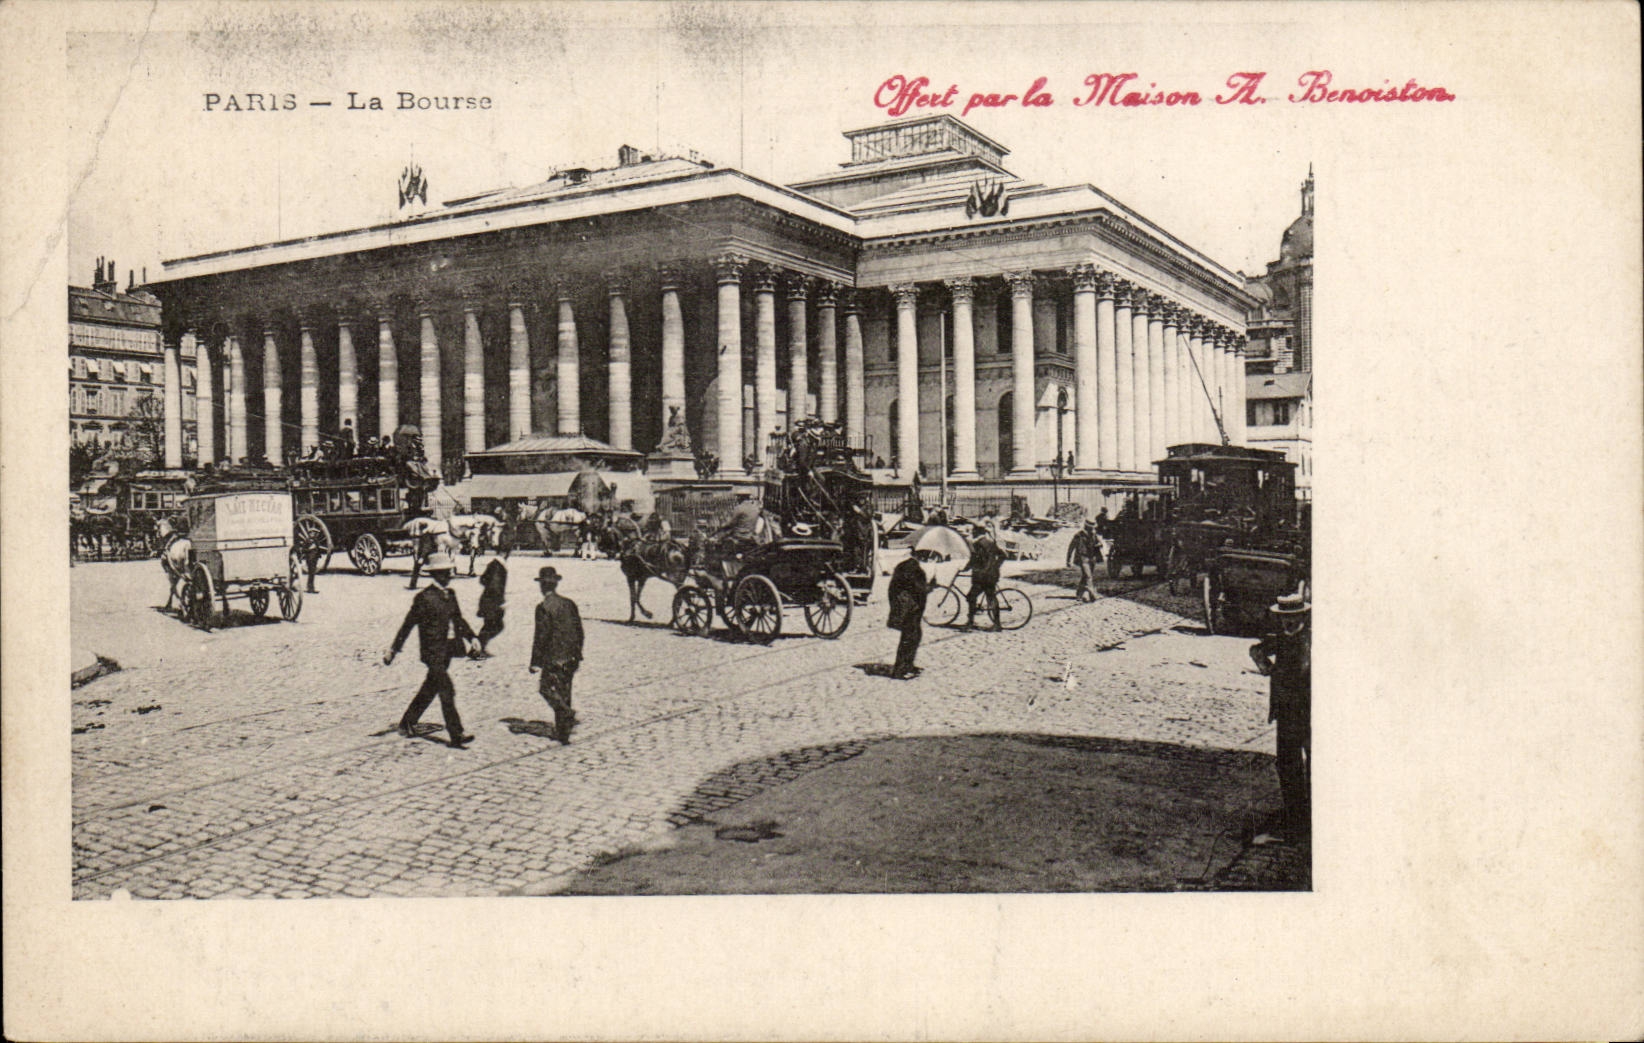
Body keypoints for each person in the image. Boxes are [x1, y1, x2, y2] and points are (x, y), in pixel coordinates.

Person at [384, 552, 479, 749]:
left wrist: (473, 637)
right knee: (446, 689)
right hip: (432, 653)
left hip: (448, 651)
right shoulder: (424, 598)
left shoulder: (450, 594)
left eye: (449, 572)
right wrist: (393, 649)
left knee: (430, 688)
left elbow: (458, 620)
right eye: (444, 573)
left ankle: (407, 722)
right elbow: (408, 625)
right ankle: (457, 734)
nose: (449, 576)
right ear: (435, 574)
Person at [1249, 592, 1311, 844]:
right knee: (1287, 764)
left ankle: (1309, 819)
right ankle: (1295, 817)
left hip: (1310, 712)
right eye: (1284, 618)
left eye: (1293, 617)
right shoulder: (1281, 639)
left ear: (1303, 616)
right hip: (1286, 711)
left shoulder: (1311, 640)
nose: (1289, 622)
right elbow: (1256, 650)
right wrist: (1268, 668)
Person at [529, 566, 584, 744]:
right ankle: (563, 733)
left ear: (542, 586)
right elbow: (579, 631)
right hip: (571, 656)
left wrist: (535, 662)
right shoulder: (569, 603)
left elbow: (541, 636)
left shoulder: (543, 607)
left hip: (553, 657)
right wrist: (577, 653)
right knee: (565, 691)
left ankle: (566, 713)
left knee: (546, 689)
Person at [886, 551, 934, 679]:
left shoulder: (907, 565)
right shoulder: (912, 568)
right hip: (909, 608)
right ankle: (900, 670)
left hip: (908, 606)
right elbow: (918, 588)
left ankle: (908, 665)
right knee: (909, 637)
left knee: (914, 635)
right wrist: (930, 586)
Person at [965, 523, 1005, 628]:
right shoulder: (990, 543)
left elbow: (974, 560)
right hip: (992, 575)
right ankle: (997, 624)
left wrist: (965, 568)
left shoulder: (978, 544)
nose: (972, 533)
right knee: (991, 598)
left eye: (973, 531)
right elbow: (1003, 555)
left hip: (982, 577)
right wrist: (995, 566)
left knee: (971, 597)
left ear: (977, 532)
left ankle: (971, 622)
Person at [474, 558, 507, 656]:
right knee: (496, 625)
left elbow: (482, 580)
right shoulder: (499, 567)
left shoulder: (492, 564)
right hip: (492, 601)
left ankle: (478, 648)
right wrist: (500, 602)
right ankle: (477, 649)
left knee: (489, 625)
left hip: (487, 599)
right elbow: (495, 586)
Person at [1067, 517, 1103, 602]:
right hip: (1082, 558)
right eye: (1091, 527)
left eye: (1093, 527)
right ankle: (1092, 593)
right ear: (1086, 527)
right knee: (1088, 576)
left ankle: (1079, 594)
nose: (1092, 529)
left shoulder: (1094, 535)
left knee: (1085, 576)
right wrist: (1068, 560)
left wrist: (1099, 545)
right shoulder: (1078, 535)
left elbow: (1100, 543)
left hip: (1092, 558)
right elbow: (1071, 547)